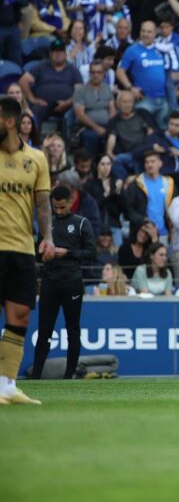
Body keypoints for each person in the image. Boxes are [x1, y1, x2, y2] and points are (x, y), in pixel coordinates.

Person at [0, 96, 52, 404]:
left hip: (22, 248)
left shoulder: (37, 159)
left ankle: (7, 386)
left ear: (9, 121)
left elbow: (42, 205)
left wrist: (47, 237)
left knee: (19, 316)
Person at [30, 185, 96, 380]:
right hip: (50, 281)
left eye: (62, 207)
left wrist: (68, 253)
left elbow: (91, 253)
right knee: (44, 330)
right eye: (55, 207)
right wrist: (44, 254)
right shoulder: (45, 224)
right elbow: (36, 251)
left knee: (72, 329)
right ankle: (36, 376)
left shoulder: (81, 223)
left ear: (71, 201)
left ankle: (69, 376)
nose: (58, 211)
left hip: (72, 282)